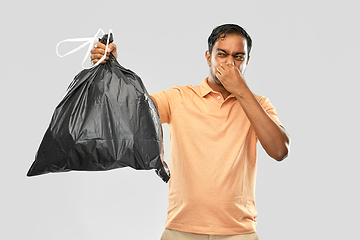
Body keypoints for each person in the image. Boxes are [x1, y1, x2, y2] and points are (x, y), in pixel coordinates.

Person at [90, 24, 290, 240]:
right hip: (181, 231)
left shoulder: (258, 105)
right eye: (222, 54)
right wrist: (109, 70)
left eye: (239, 57)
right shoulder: (180, 98)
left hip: (239, 233)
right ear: (208, 57)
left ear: (247, 61)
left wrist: (241, 90)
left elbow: (280, 150)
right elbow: (130, 111)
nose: (230, 63)